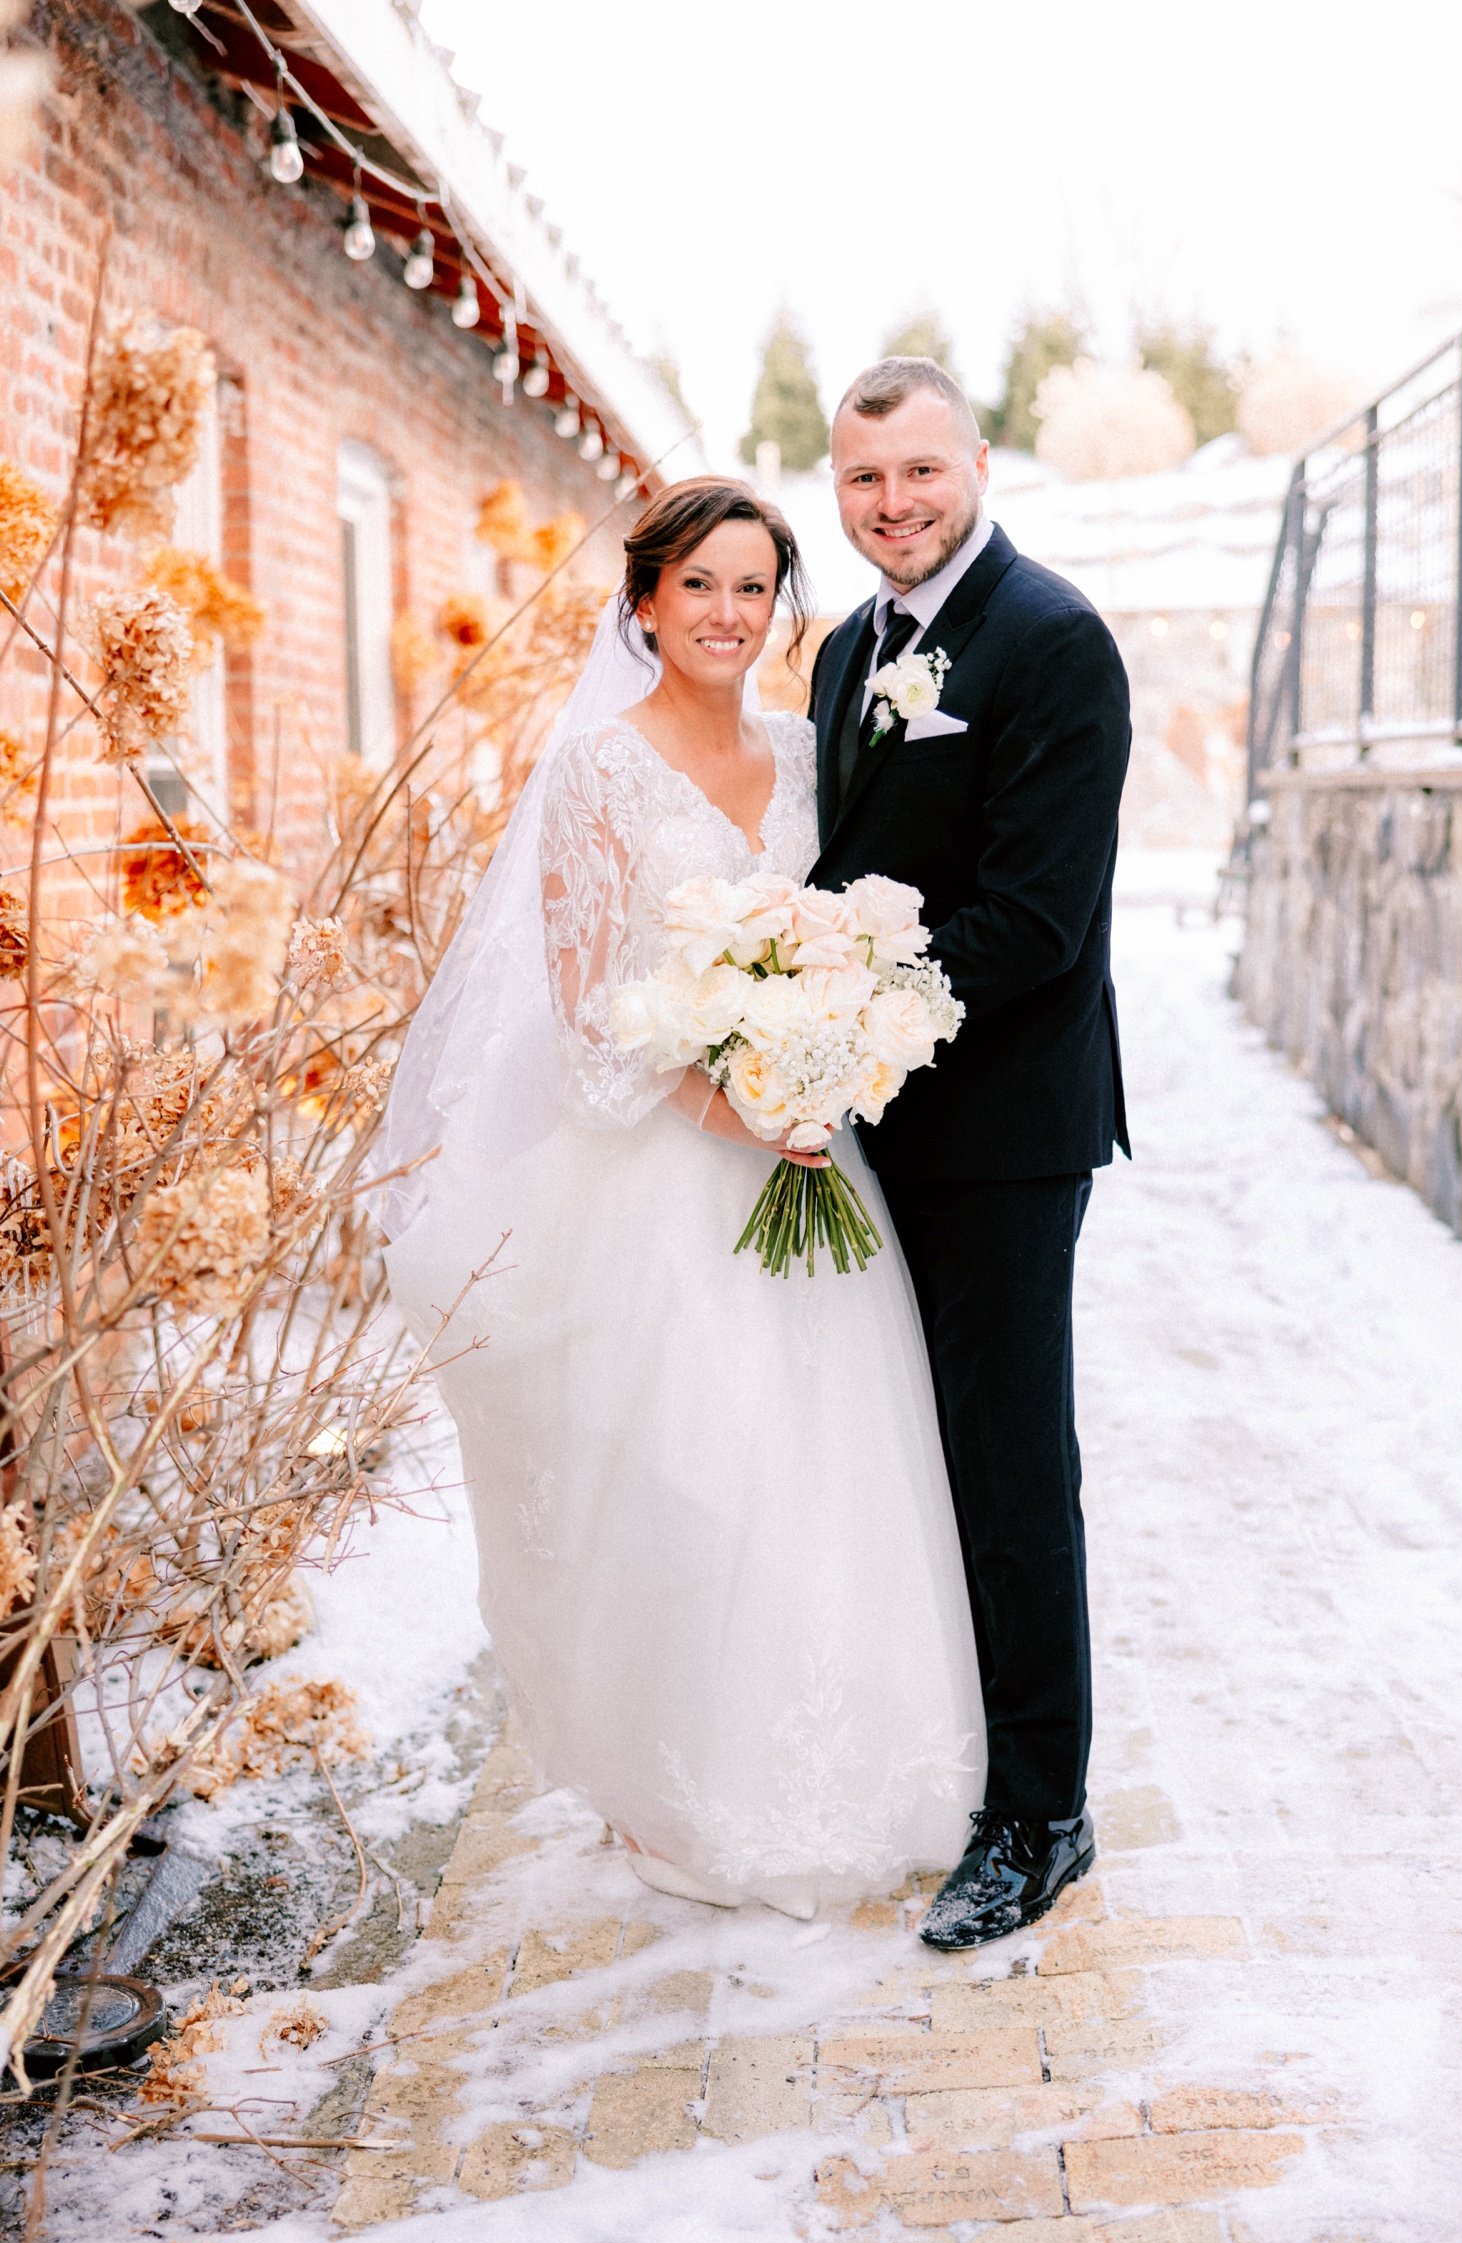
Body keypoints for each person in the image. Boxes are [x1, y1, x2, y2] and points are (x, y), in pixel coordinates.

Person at [375, 477, 983, 1920]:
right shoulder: (597, 770)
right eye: (699, 585)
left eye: (753, 587)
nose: (727, 612)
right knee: (694, 1475)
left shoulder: (807, 749)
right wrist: (740, 1100)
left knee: (828, 1466)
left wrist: (825, 1060)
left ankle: (849, 1768)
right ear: (645, 601)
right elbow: (594, 1010)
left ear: (782, 609)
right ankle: (687, 1784)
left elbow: (849, 935)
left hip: (809, 1167)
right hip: (664, 1172)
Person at [810, 358, 1131, 1951]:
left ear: (978, 462)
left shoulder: (1054, 640)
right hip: (867, 1122)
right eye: (866, 481)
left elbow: (1034, 919)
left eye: (922, 473)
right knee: (908, 1459)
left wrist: (830, 1019)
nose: (895, 505)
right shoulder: (840, 652)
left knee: (1012, 1470)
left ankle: (1044, 1814)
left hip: (1001, 1131)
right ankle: (962, 1761)